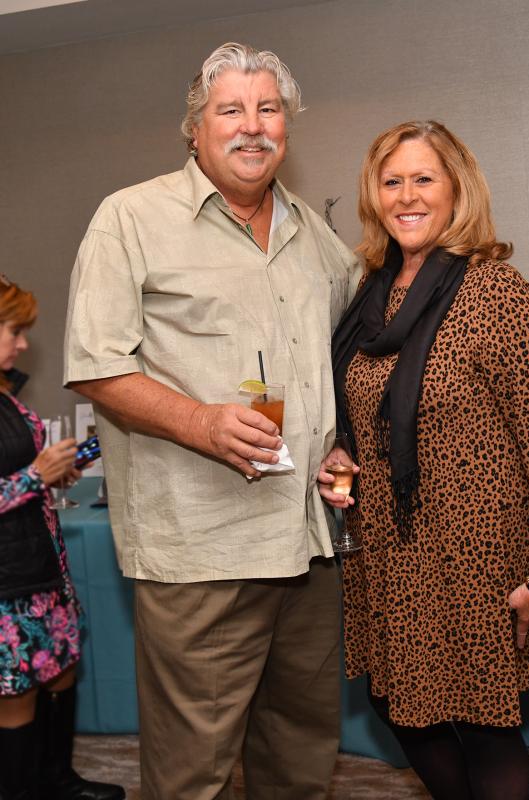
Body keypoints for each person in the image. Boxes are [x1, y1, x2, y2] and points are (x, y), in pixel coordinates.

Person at [64, 42, 360, 800]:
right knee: (194, 772)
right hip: (201, 549)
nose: (251, 127)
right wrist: (201, 424)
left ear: (286, 126)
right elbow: (97, 365)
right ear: (195, 127)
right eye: (230, 110)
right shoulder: (130, 218)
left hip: (308, 545)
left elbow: (342, 369)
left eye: (267, 110)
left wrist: (337, 448)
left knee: (300, 758)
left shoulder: (316, 239)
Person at [320, 121, 529, 800]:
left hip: (476, 562)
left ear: (455, 190)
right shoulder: (370, 296)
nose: (406, 195)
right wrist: (341, 465)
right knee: (397, 708)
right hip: (388, 556)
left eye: (423, 179)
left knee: (486, 727)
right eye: (391, 181)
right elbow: (361, 419)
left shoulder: (498, 294)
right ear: (373, 195)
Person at [0, 275, 125, 800]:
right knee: (19, 694)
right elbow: (20, 479)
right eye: (13, 329)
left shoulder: (6, 395)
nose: (24, 342)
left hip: (41, 569)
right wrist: (34, 477)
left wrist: (58, 469)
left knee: (59, 673)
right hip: (8, 585)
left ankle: (58, 780)